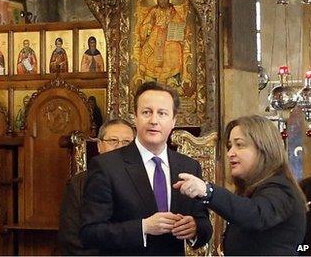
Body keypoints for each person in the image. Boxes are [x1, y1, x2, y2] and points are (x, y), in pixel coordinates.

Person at [80, 81, 212, 255]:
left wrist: (195, 228)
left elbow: (204, 225)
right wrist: (142, 227)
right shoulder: (107, 166)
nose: (154, 121)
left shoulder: (188, 166)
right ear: (135, 117)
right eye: (146, 112)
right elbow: (90, 233)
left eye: (162, 113)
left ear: (173, 121)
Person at [175, 115, 307, 255]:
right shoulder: (253, 189)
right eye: (230, 146)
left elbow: (256, 215)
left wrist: (209, 191)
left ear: (264, 148)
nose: (230, 153)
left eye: (239, 145)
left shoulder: (281, 188)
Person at [58, 119, 135, 255]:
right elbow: (71, 237)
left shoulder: (144, 181)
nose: (120, 147)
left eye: (126, 142)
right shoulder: (79, 183)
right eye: (113, 141)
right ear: (99, 146)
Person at [136, 0, 188, 86]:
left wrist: (175, 26)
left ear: (168, 0)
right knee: (148, 50)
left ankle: (171, 78)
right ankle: (151, 77)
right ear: (157, 0)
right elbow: (145, 23)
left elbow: (180, 23)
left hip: (169, 36)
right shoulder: (154, 11)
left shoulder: (173, 11)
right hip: (155, 35)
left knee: (174, 49)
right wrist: (148, 27)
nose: (163, 1)